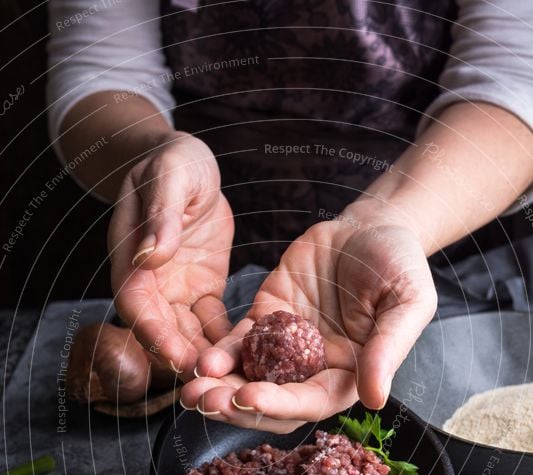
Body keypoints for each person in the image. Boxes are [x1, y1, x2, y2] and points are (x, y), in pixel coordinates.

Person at [47, 1, 533, 432]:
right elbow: (100, 73)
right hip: (199, 262)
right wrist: (154, 154)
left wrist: (390, 220)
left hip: (441, 234)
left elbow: (514, 76)